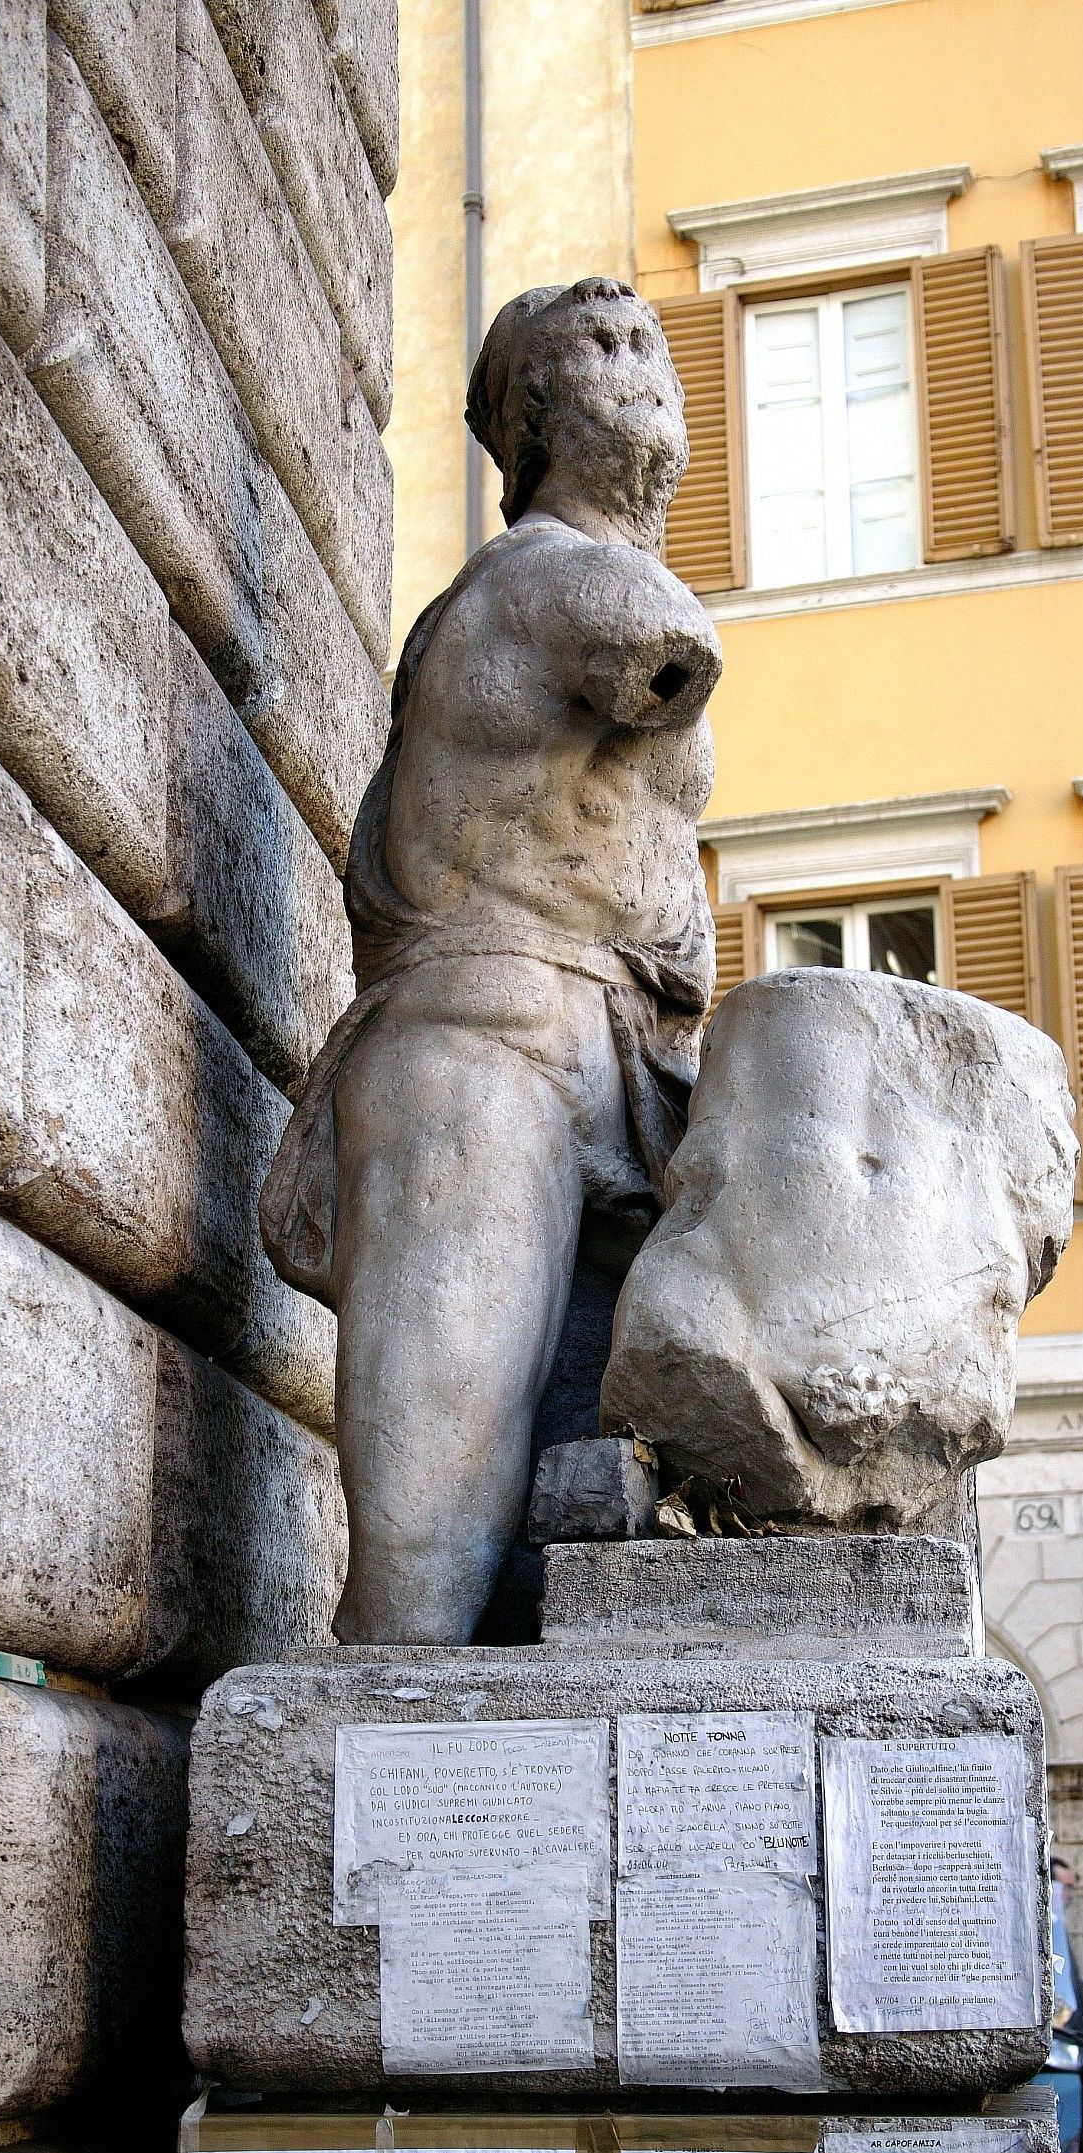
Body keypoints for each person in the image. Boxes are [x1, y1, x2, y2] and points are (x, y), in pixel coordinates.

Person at [261, 279, 722, 1644]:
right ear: (530, 419)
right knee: (427, 1564)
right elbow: (668, 653)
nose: (642, 370)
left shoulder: (582, 577)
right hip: (483, 1049)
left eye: (650, 346)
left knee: (564, 1562)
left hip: (625, 1073)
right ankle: (351, 1776)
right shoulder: (544, 578)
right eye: (600, 349)